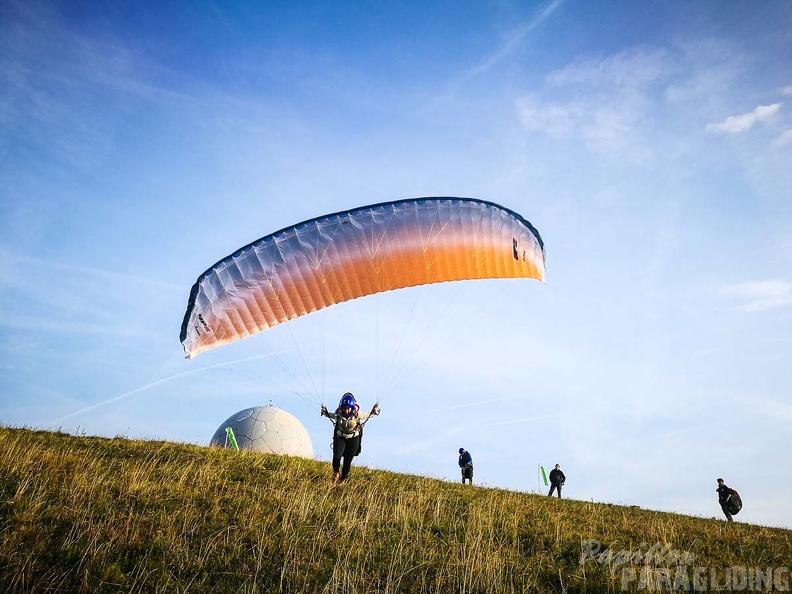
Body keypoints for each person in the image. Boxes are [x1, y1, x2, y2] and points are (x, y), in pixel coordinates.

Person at [321, 392, 379, 484]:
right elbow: (331, 415)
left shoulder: (357, 414)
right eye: (344, 409)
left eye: (348, 409)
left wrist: (374, 411)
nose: (346, 411)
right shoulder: (338, 414)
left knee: (347, 462)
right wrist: (325, 413)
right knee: (337, 457)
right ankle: (336, 473)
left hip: (353, 439)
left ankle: (343, 479)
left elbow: (368, 415)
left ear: (351, 408)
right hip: (340, 437)